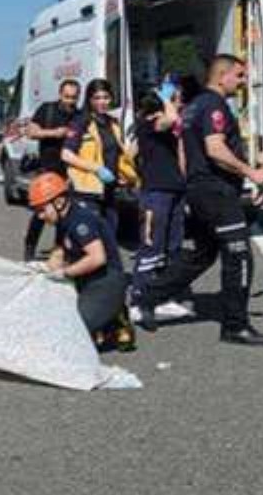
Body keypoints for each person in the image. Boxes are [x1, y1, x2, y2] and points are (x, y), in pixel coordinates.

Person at [136, 54, 263, 347]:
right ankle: (235, 325)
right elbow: (214, 149)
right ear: (222, 76)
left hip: (200, 190)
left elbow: (186, 152)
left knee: (202, 254)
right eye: (239, 75)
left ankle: (146, 297)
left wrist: (190, 185)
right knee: (238, 255)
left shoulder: (193, 106)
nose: (243, 81)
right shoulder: (213, 105)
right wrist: (252, 173)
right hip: (216, 192)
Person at [27, 172, 133, 353]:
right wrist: (42, 270)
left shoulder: (81, 221)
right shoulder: (63, 220)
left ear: (59, 202)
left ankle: (117, 318)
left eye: (42, 210)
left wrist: (65, 273)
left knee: (74, 331)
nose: (40, 216)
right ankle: (102, 321)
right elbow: (59, 252)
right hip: (85, 280)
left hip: (106, 280)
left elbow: (97, 258)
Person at [128, 88, 195, 324]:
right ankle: (138, 298)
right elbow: (173, 117)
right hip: (155, 194)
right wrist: (165, 97)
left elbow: (180, 153)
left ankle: (164, 296)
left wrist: (186, 187)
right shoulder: (148, 126)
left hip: (175, 191)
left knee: (173, 248)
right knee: (152, 247)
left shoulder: (165, 131)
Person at [22, 78, 81, 260]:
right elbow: (30, 132)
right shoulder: (47, 109)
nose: (70, 101)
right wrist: (55, 133)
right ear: (60, 94)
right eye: (67, 96)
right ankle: (30, 249)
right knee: (42, 213)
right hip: (47, 169)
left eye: (74, 97)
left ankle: (59, 250)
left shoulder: (80, 116)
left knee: (64, 214)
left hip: (69, 172)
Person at [61, 78, 125, 244]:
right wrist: (96, 169)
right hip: (87, 190)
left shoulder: (113, 123)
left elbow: (117, 153)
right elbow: (66, 154)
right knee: (91, 241)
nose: (102, 102)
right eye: (97, 98)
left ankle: (109, 269)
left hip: (109, 189)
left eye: (105, 97)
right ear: (89, 99)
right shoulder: (81, 122)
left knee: (110, 235)